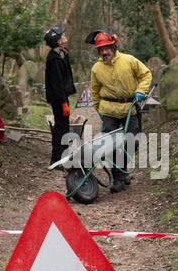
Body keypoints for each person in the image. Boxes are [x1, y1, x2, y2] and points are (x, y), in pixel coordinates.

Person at [86, 29, 152, 192]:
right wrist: (99, 109)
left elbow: (146, 75)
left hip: (130, 107)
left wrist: (140, 91)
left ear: (113, 46)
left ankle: (122, 171)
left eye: (107, 48)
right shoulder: (96, 69)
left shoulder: (129, 60)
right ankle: (118, 178)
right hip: (109, 111)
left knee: (133, 141)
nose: (104, 52)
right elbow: (94, 91)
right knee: (111, 146)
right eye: (101, 49)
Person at [43, 23, 76, 165]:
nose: (64, 35)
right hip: (58, 99)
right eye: (62, 35)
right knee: (60, 127)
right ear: (58, 41)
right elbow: (56, 84)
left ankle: (64, 156)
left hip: (62, 96)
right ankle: (56, 159)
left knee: (64, 126)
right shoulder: (54, 59)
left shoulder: (62, 53)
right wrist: (63, 103)